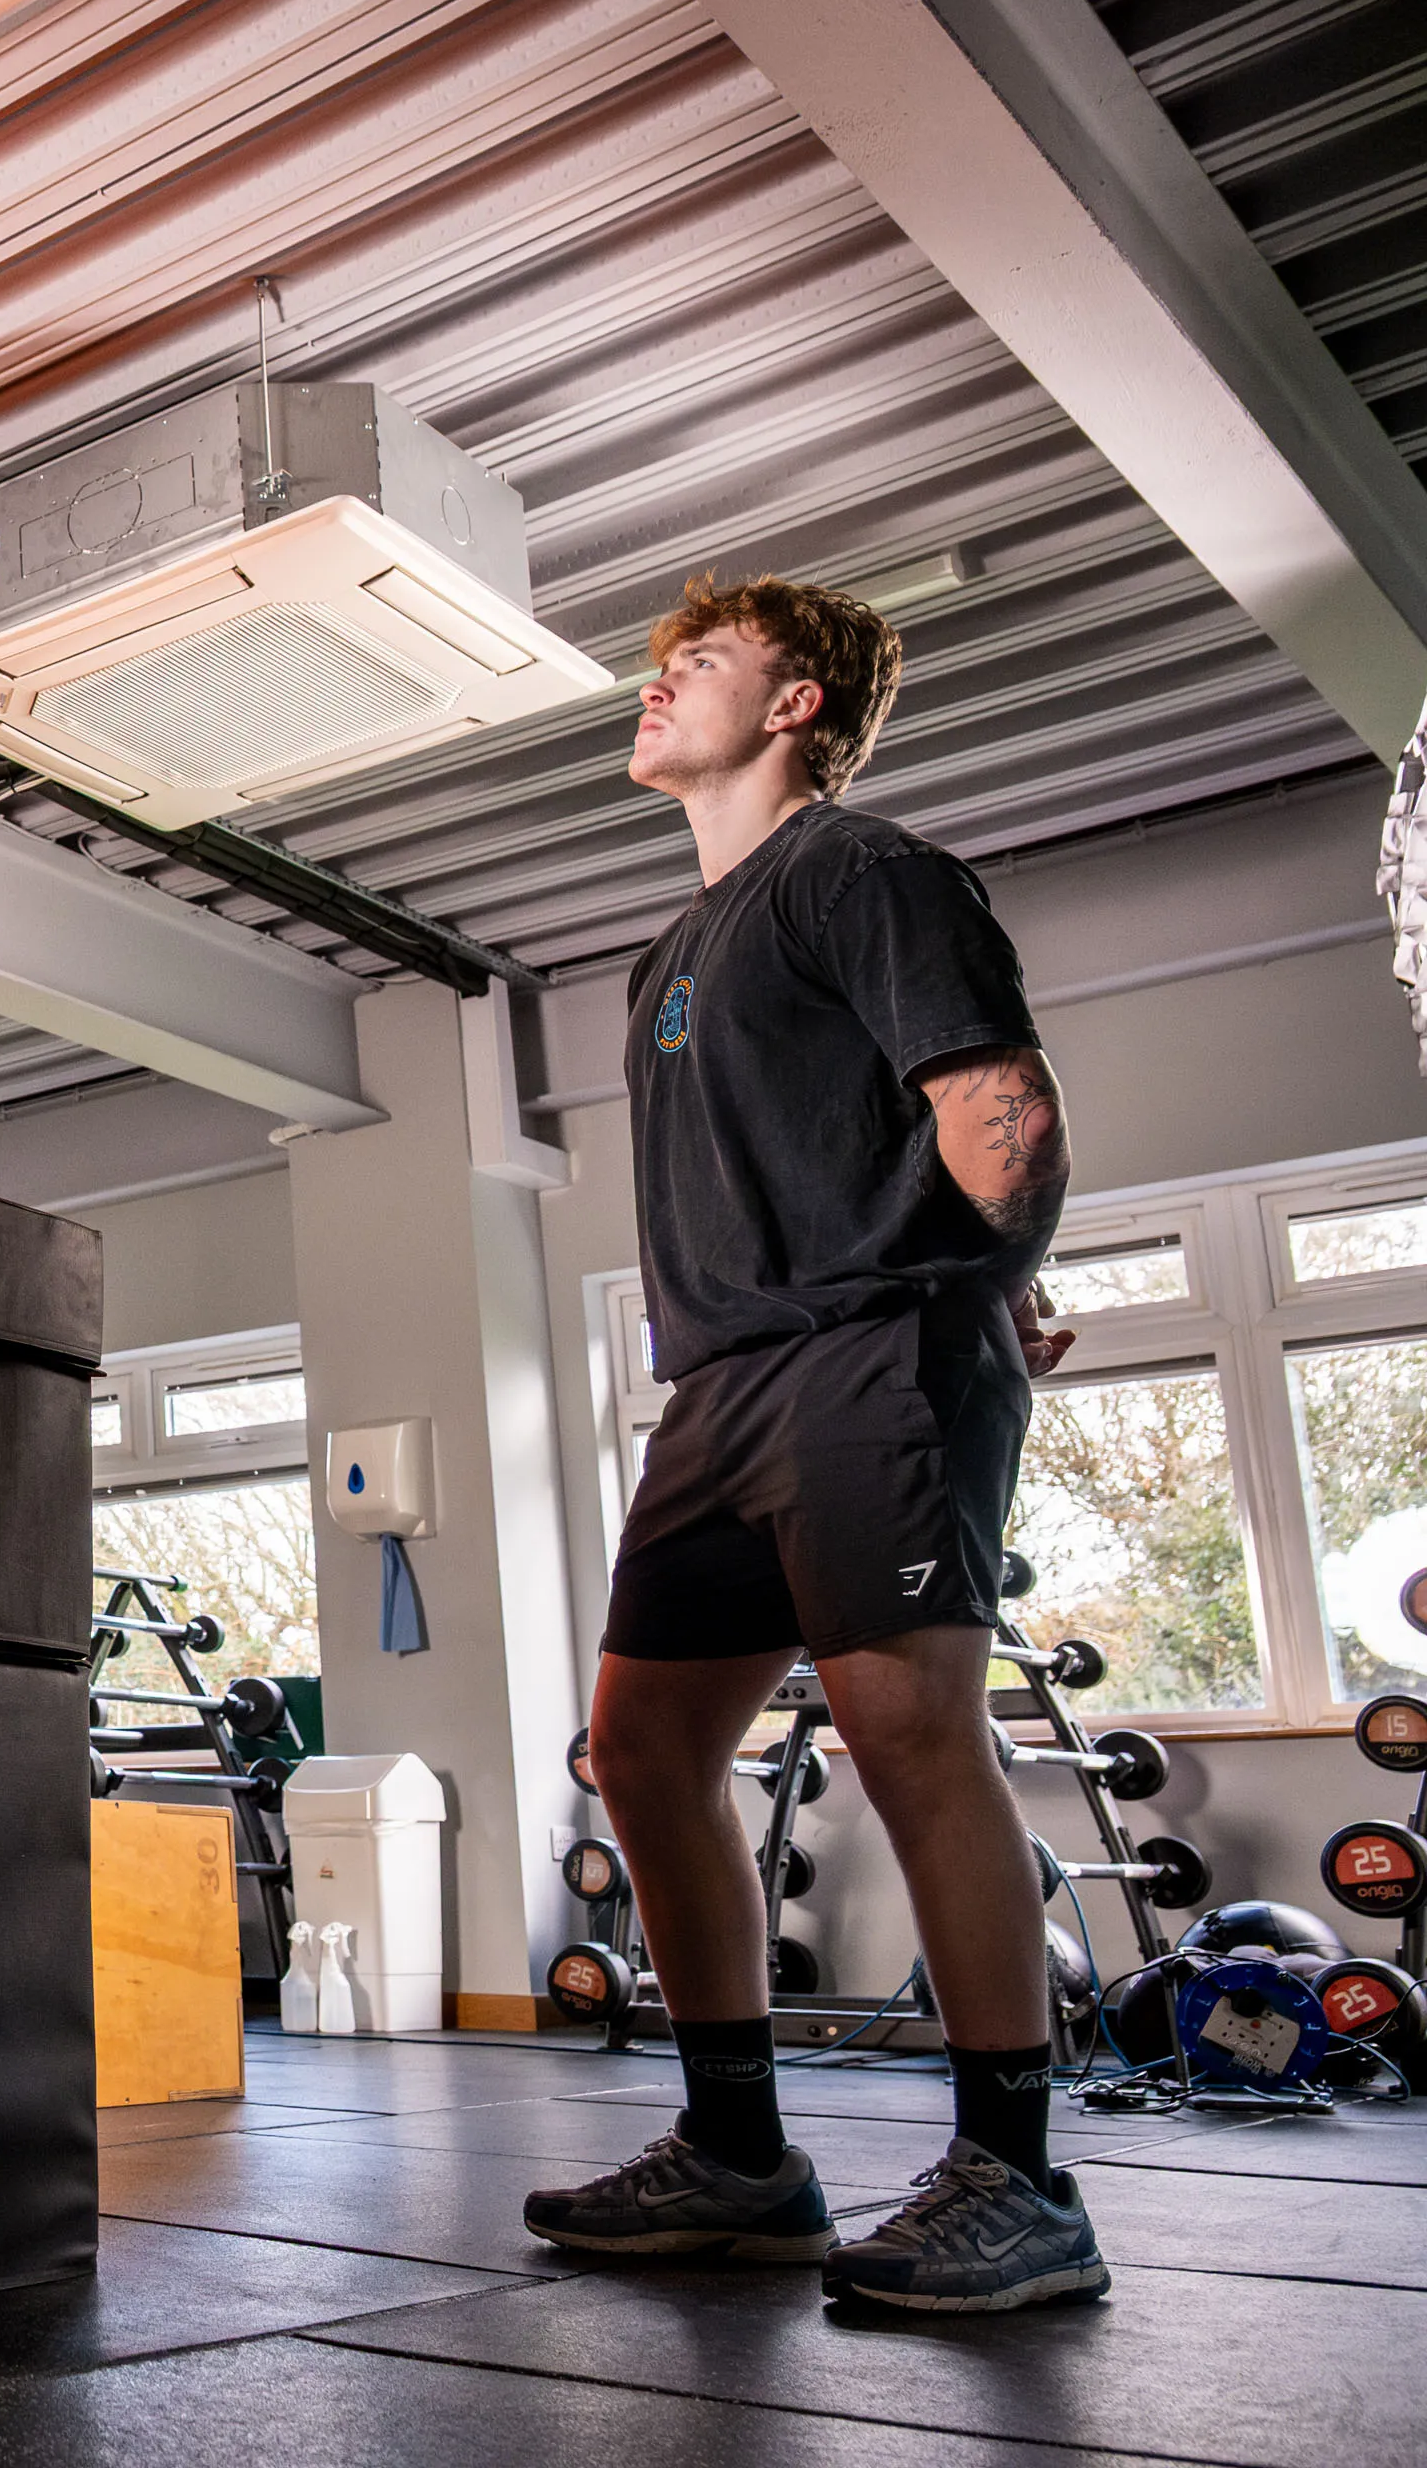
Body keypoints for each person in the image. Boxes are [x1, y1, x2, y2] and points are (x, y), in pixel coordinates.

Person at [521, 574, 1105, 2311]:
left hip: (874, 1349)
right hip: (725, 1387)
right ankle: (741, 2155)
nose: (654, 686)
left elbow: (1002, 1112)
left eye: (696, 662)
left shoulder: (863, 870)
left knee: (903, 1724)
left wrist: (977, 1288)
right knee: (638, 1749)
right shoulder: (670, 947)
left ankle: (1018, 2179)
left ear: (796, 705)